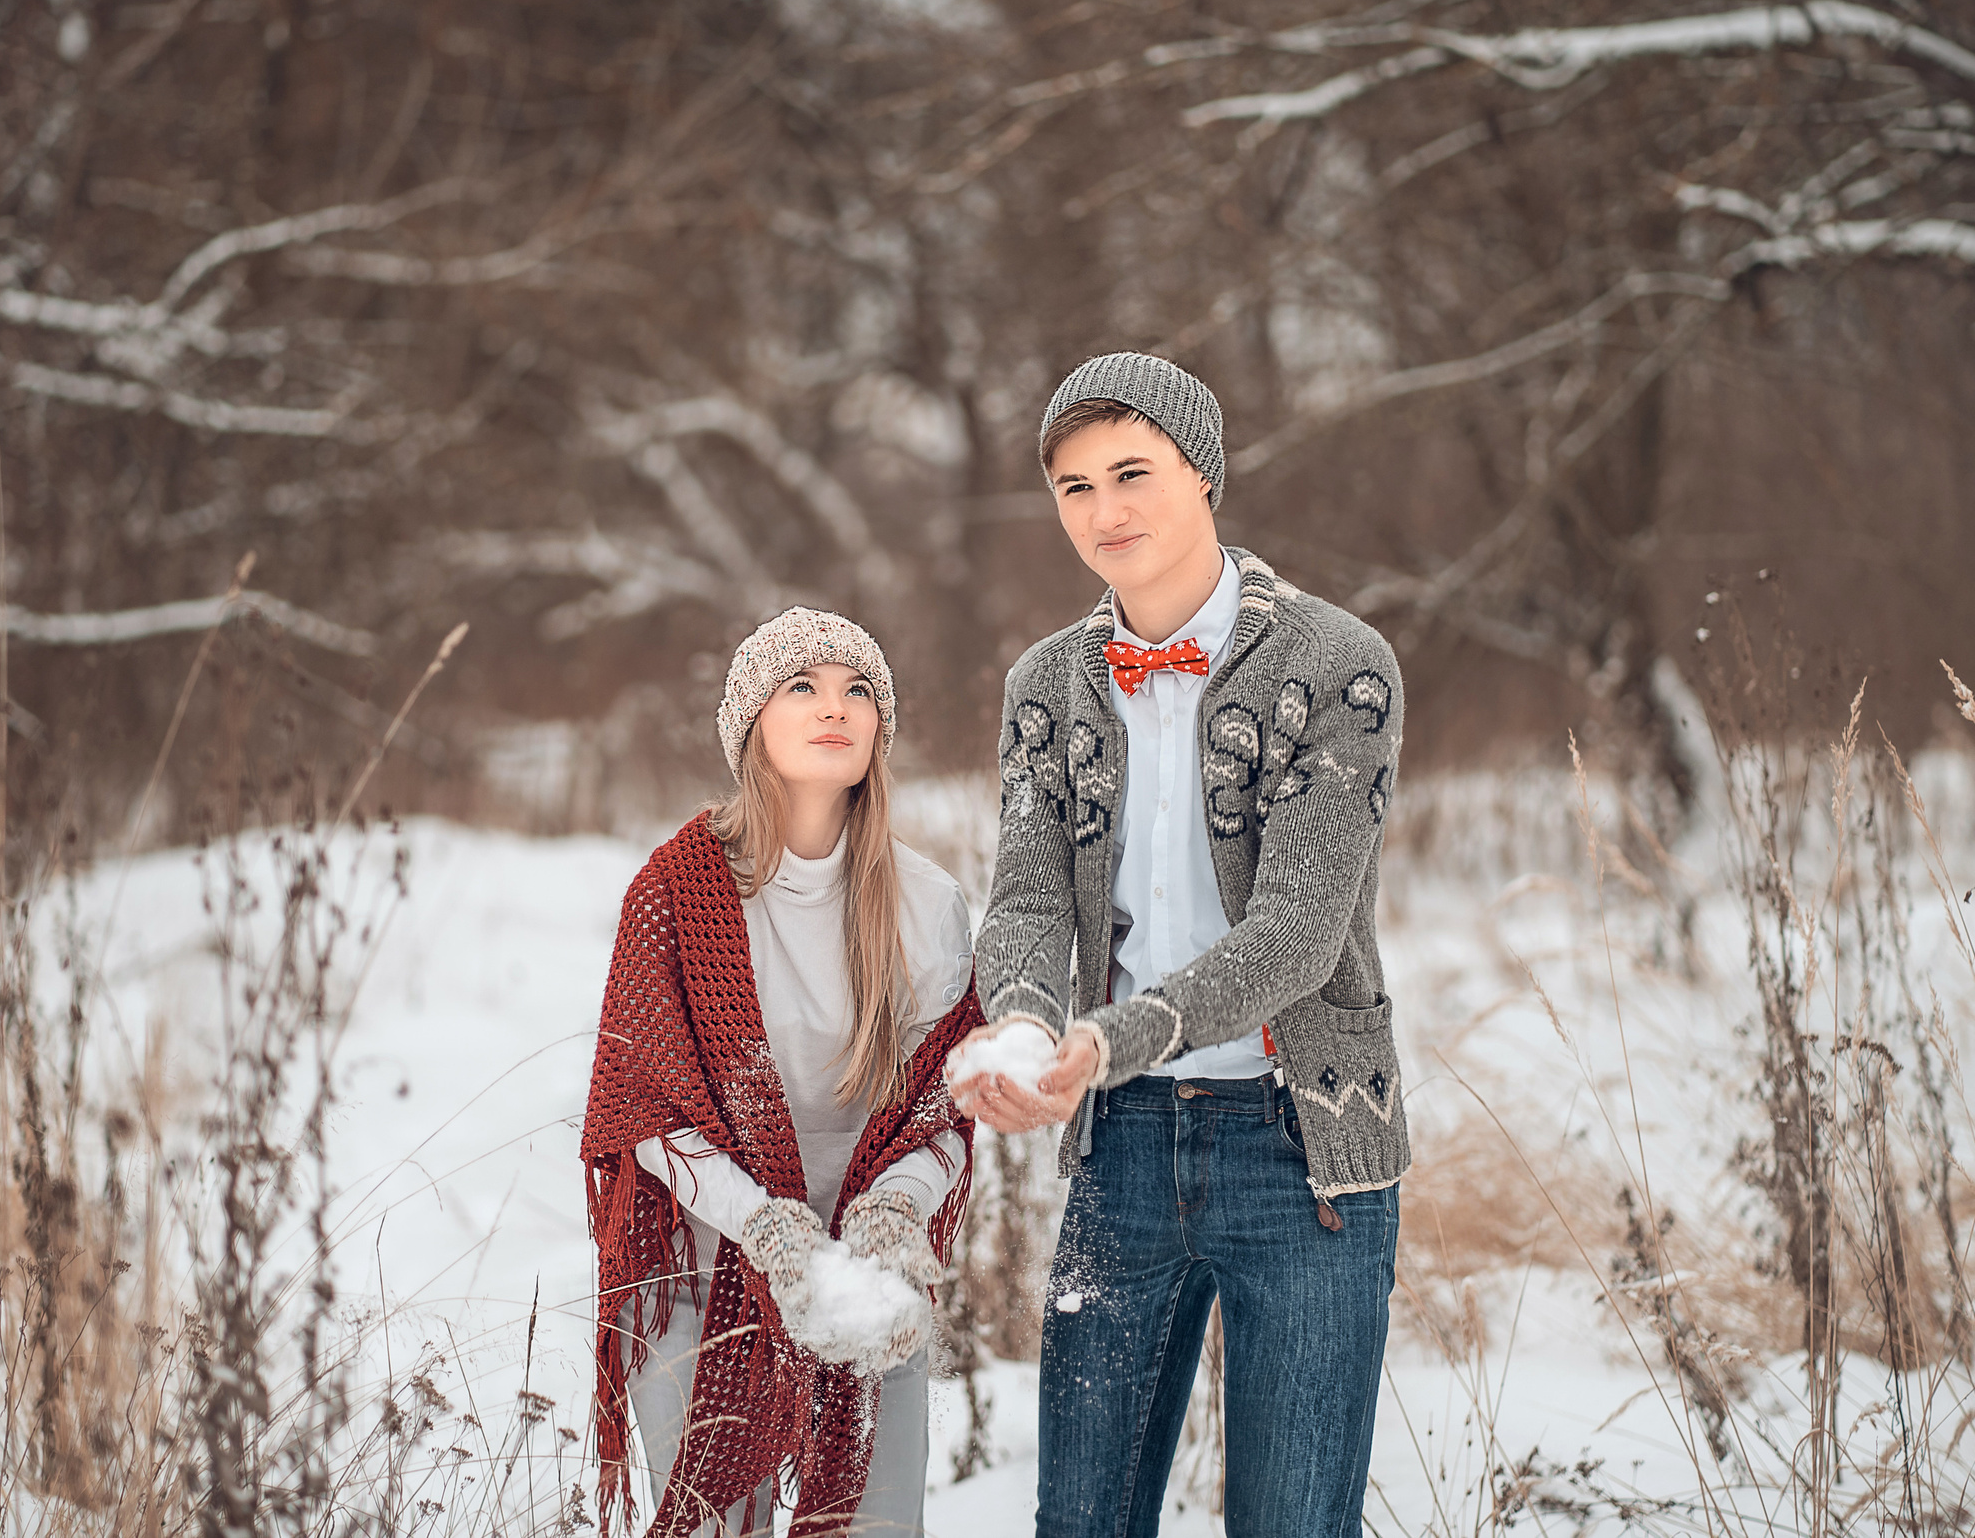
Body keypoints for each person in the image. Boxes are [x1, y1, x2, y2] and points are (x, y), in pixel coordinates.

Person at [949, 352, 1409, 1537]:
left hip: (1303, 1148)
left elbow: (1297, 934)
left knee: (1292, 1524)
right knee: (1082, 1520)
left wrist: (1112, 1035)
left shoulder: (1338, 664)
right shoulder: (1045, 683)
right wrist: (1020, 1022)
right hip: (1123, 1152)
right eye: (1072, 487)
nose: (1103, 512)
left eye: (1131, 473)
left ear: (1203, 473)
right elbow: (1027, 901)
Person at [584, 607, 983, 1538]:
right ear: (751, 720)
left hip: (866, 1266)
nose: (832, 707)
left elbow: (946, 1114)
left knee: (880, 1527)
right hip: (705, 1263)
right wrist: (764, 1226)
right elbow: (645, 1113)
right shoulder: (676, 893)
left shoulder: (927, 903)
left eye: (857, 691)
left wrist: (892, 1212)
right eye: (801, 686)